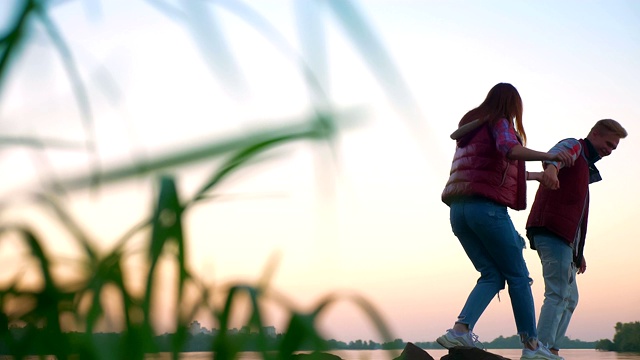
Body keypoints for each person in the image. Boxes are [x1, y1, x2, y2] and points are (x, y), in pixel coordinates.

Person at [438, 82, 574, 360]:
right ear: (512, 106)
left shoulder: (471, 132)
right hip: (487, 210)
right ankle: (532, 346)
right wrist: (549, 157)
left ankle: (460, 330)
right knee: (519, 277)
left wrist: (536, 176)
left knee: (491, 275)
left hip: (459, 212)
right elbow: (510, 149)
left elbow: (491, 170)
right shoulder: (500, 123)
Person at [525, 119, 627, 358]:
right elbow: (555, 155)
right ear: (595, 133)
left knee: (570, 297)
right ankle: (537, 349)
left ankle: (551, 349)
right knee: (558, 293)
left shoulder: (585, 165)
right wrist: (551, 168)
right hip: (551, 231)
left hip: (566, 240)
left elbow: (578, 215)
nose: (610, 150)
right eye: (608, 143)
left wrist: (578, 253)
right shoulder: (576, 147)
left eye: (614, 148)